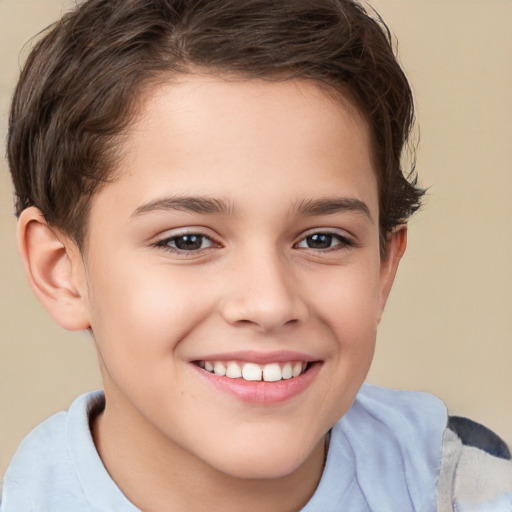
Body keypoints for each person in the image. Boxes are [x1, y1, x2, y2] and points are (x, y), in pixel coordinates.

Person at [1, 0, 511, 510]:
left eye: (321, 239)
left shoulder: (474, 488)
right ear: (61, 271)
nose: (269, 304)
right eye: (188, 241)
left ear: (383, 266)